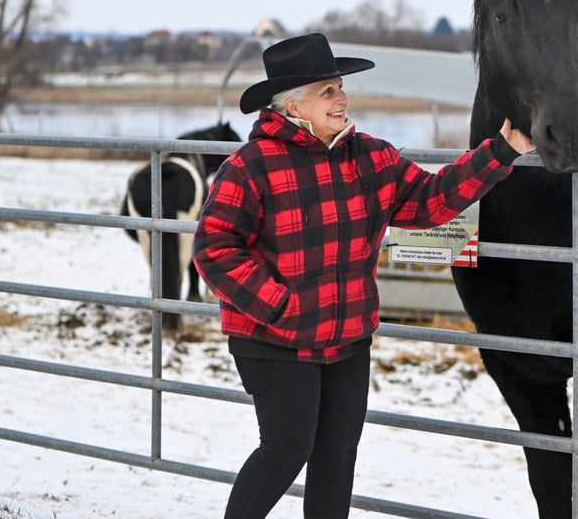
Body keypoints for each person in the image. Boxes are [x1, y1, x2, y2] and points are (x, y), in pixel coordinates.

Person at [192, 32, 533, 518]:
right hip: (274, 339)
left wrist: (501, 150)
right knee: (286, 449)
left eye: (340, 87)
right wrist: (281, 307)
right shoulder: (250, 167)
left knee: (336, 458)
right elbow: (214, 246)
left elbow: (432, 200)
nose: (342, 98)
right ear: (291, 105)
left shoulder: (371, 157)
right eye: (327, 90)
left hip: (348, 338)